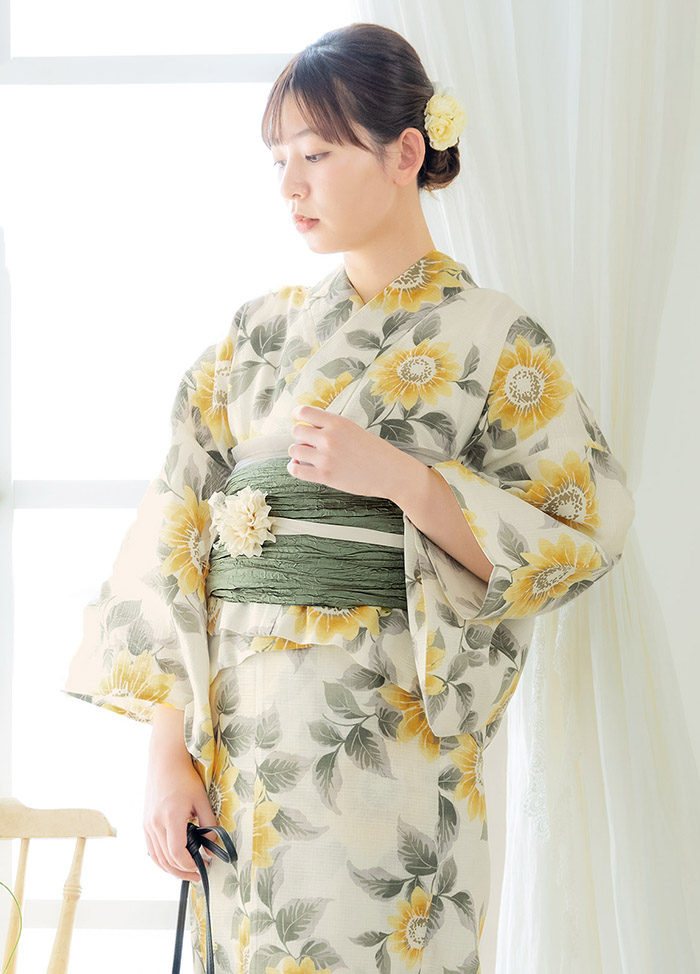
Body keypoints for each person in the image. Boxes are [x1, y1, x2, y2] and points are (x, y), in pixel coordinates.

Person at [62, 21, 635, 974]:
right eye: (279, 159)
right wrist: (168, 755)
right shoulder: (255, 336)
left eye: (317, 154)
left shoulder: (495, 339)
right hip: (243, 744)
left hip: (389, 744)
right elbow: (177, 536)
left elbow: (581, 534)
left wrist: (405, 480)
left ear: (405, 154)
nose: (291, 185)